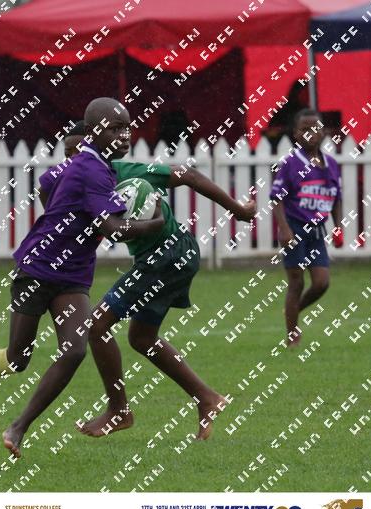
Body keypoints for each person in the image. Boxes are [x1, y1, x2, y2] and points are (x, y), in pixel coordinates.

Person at [0, 98, 165, 459]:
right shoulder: (90, 169)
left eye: (127, 128)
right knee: (18, 358)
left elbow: (50, 189)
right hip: (38, 268)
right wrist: (154, 224)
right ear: (93, 132)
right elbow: (112, 229)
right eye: (115, 129)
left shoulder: (97, 165)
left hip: (73, 275)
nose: (124, 135)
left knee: (75, 350)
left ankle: (19, 426)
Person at [46, 121, 257, 440]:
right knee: (141, 338)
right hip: (164, 256)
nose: (74, 158)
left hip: (168, 253)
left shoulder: (121, 170)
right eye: (68, 153)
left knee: (96, 326)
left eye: (80, 150)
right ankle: (207, 398)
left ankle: (119, 411)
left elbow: (188, 175)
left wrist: (237, 210)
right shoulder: (81, 187)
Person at [270, 108, 343, 347]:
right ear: (295, 133)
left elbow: (336, 198)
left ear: (324, 132)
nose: (310, 133)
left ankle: (294, 310)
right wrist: (284, 229)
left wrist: (338, 226)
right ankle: (292, 335)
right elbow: (277, 198)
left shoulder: (331, 164)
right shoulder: (290, 163)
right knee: (297, 282)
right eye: (304, 129)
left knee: (322, 282)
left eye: (315, 128)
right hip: (295, 227)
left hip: (317, 231)